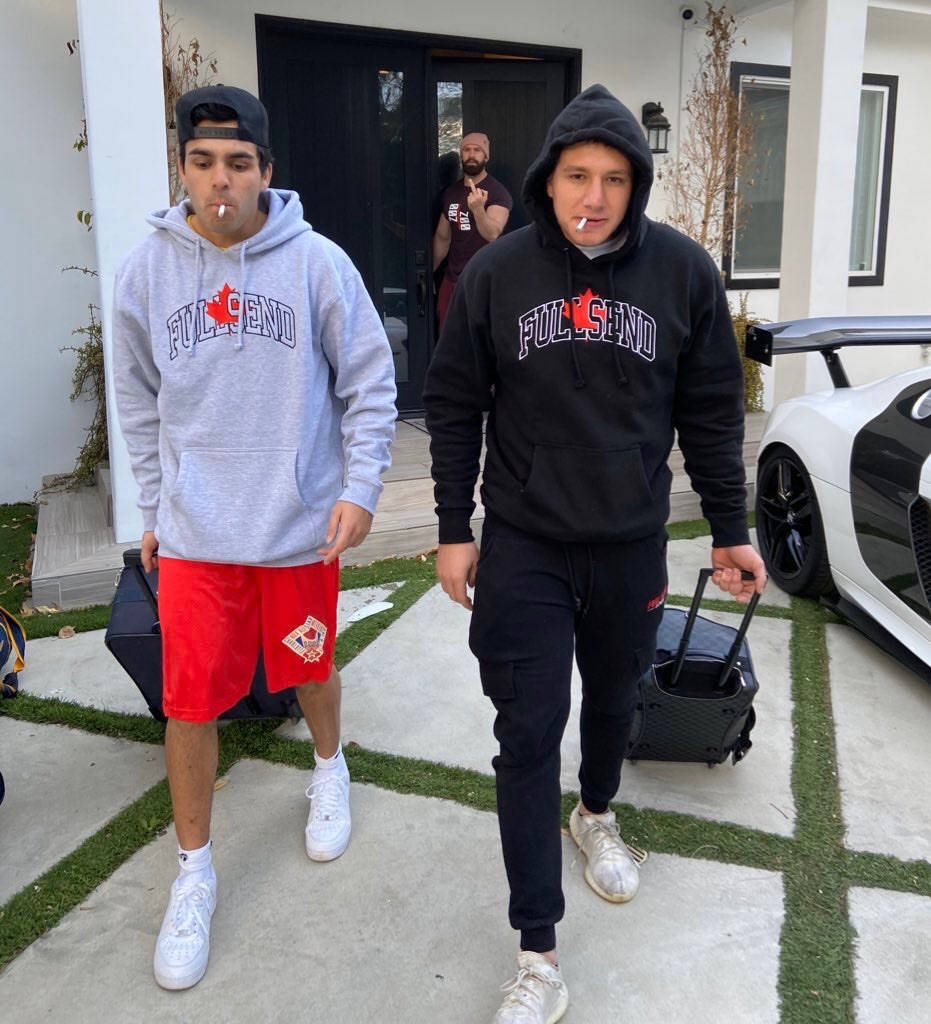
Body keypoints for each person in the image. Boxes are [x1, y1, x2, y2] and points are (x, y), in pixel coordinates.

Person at [423, 84, 766, 1024]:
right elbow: (454, 404)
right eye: (578, 173)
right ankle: (538, 950)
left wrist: (730, 528)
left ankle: (597, 813)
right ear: (548, 178)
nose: (596, 194)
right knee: (528, 731)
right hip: (525, 541)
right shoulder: (499, 275)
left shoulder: (683, 274)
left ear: (637, 185)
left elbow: (708, 410)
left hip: (629, 544)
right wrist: (455, 528)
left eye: (616, 178)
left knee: (613, 703)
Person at [112, 84, 396, 991]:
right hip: (198, 535)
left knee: (310, 665)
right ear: (182, 170)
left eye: (239, 163)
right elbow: (136, 400)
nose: (220, 180)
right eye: (202, 162)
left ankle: (329, 765)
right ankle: (194, 871)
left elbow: (369, 379)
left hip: (296, 528)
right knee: (188, 700)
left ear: (267, 170)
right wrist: (155, 507)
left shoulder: (316, 263)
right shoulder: (146, 273)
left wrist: (358, 487)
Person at [432, 132, 513, 334]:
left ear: (486, 156)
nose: (471, 155)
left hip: (483, 283)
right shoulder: (452, 192)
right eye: (466, 150)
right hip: (452, 282)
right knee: (448, 340)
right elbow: (443, 238)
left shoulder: (497, 193)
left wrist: (478, 209)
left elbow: (492, 233)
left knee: (478, 344)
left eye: (477, 150)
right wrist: (427, 272)